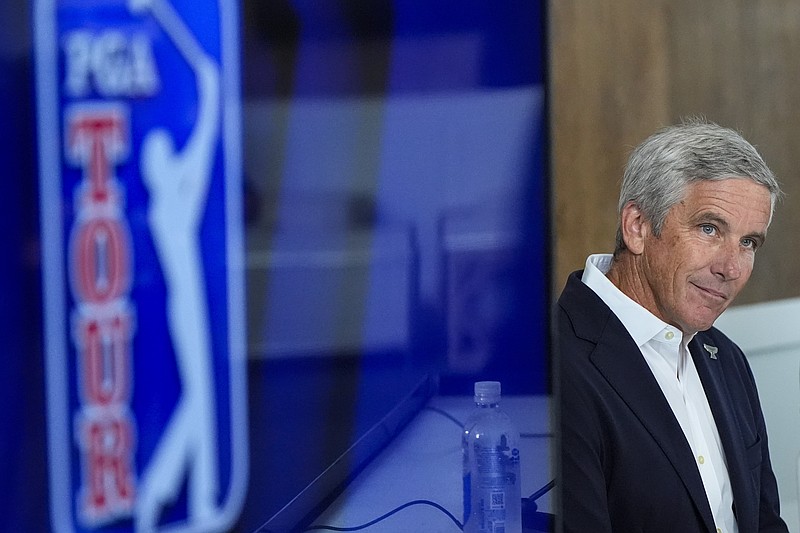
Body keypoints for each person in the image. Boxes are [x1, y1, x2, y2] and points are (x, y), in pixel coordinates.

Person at [557, 119, 789, 533]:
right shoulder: (555, 366)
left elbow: (765, 522)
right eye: (709, 228)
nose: (731, 267)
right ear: (638, 227)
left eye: (749, 242)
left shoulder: (726, 359)